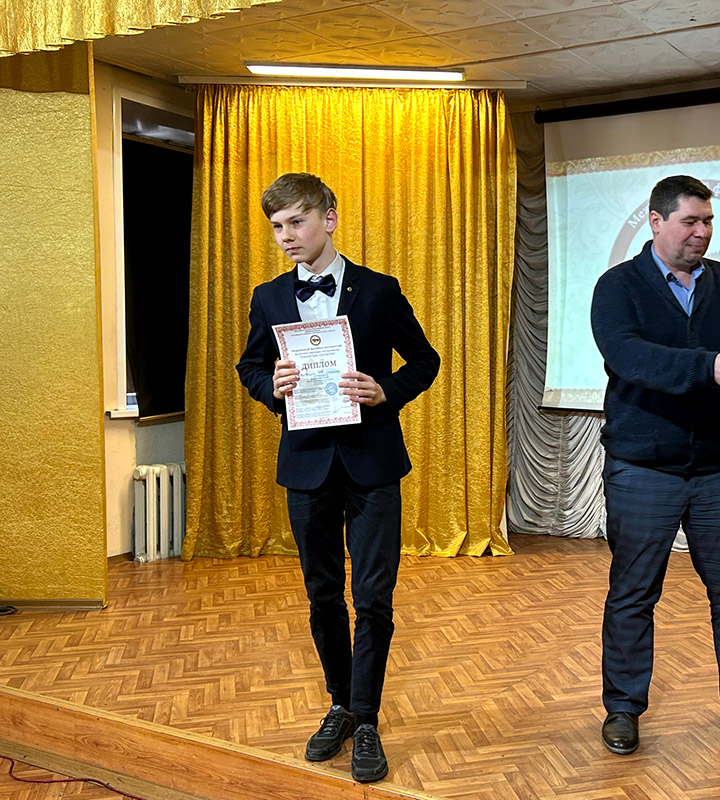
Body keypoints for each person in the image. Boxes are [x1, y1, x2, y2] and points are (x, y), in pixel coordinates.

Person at [236, 173, 440, 783]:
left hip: (372, 463)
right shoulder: (269, 296)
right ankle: (341, 705)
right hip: (306, 464)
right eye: (277, 227)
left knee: (373, 598)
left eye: (296, 222)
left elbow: (425, 360)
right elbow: (250, 365)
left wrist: (386, 391)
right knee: (322, 595)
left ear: (328, 218)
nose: (286, 236)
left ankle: (368, 718)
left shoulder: (379, 290)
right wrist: (271, 387)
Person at [590, 175, 720, 757]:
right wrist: (708, 367)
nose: (702, 232)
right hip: (643, 468)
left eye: (708, 223)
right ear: (656, 222)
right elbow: (627, 356)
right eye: (690, 222)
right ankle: (623, 708)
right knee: (633, 593)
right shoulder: (618, 285)